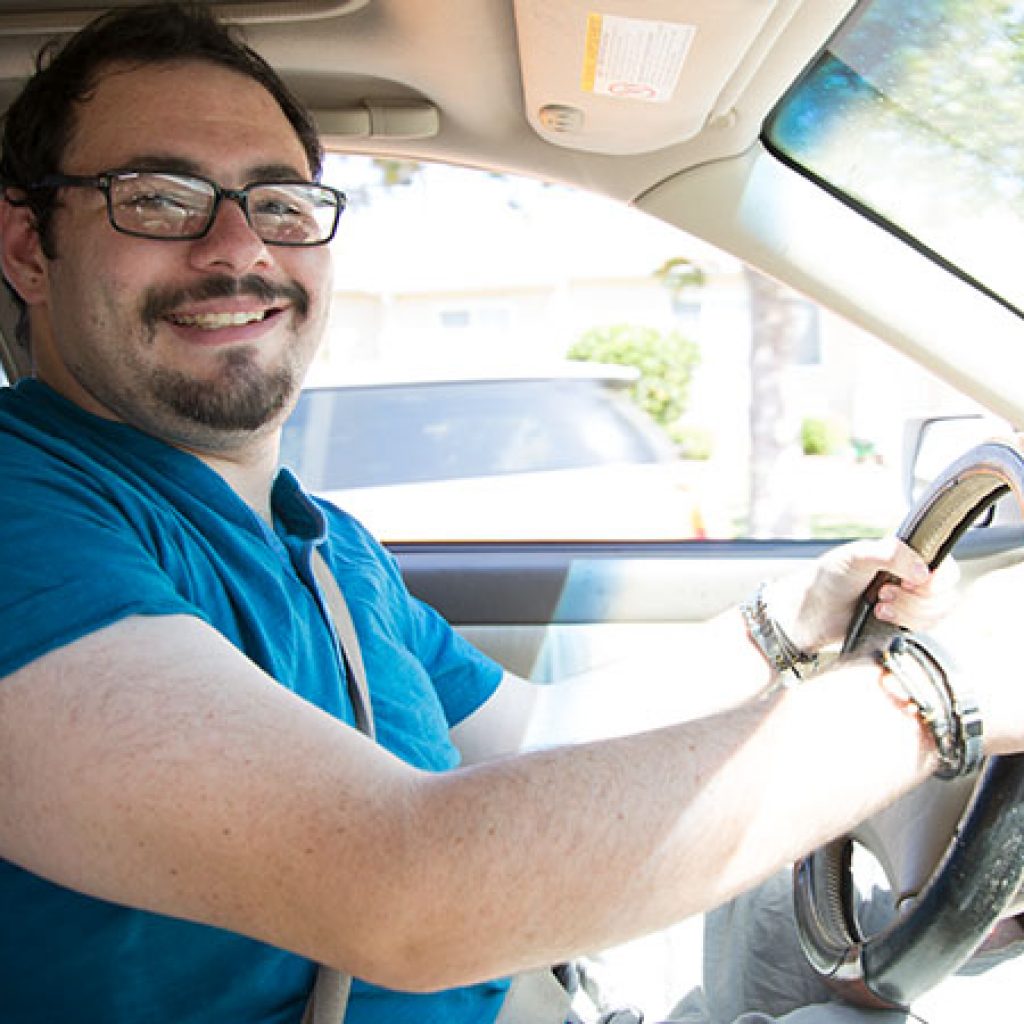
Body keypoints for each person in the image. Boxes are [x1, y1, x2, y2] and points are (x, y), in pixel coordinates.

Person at [0, 4, 1018, 1023]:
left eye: (281, 202)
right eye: (161, 198)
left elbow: (539, 734)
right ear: (29, 248)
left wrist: (785, 625)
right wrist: (936, 695)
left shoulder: (325, 546)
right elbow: (402, 887)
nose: (239, 247)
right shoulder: (24, 509)